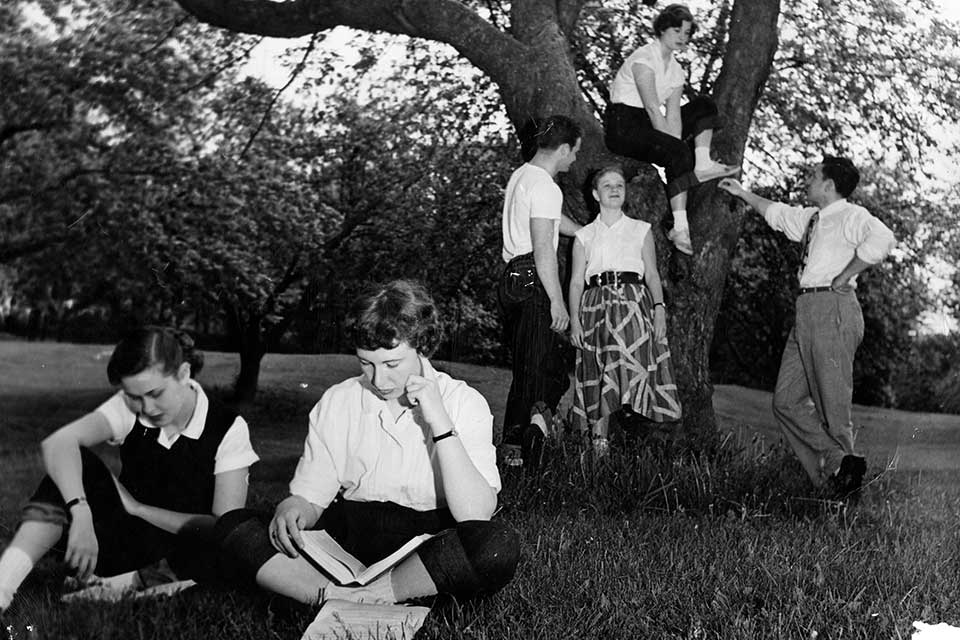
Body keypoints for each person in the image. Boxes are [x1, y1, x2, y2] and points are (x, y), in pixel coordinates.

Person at [216, 280, 519, 606]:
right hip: (351, 537)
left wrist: (441, 423)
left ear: (422, 346)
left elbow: (475, 514)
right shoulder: (338, 400)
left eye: (392, 364)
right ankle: (341, 595)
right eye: (366, 363)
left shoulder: (463, 401)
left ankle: (371, 594)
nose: (378, 380)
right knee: (234, 526)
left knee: (495, 544)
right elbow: (311, 496)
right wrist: (293, 510)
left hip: (426, 548)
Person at [0, 327, 259, 613]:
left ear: (184, 374)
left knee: (233, 547)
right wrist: (81, 512)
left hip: (185, 548)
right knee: (76, 464)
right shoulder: (133, 404)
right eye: (135, 397)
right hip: (123, 544)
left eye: (155, 393)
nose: (146, 407)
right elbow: (58, 444)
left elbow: (225, 527)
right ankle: (3, 586)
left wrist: (138, 509)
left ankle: (131, 586)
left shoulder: (227, 427)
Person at [718, 156, 896, 494]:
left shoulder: (852, 215)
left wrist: (846, 274)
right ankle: (839, 464)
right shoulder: (814, 219)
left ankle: (843, 498)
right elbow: (779, 213)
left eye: (815, 176)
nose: (809, 180)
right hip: (807, 310)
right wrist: (742, 192)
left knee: (833, 406)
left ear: (829, 185)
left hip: (833, 308)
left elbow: (883, 239)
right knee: (785, 401)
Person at [605, 3, 739, 256]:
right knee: (676, 152)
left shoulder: (676, 70)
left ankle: (702, 163)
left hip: (648, 124)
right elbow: (655, 110)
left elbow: (674, 114)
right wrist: (674, 150)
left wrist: (676, 147)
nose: (682, 37)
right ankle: (680, 228)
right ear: (662, 29)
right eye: (677, 30)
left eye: (687, 33)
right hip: (623, 126)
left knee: (703, 105)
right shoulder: (644, 59)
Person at [569, 166, 682, 452]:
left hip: (634, 304)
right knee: (599, 370)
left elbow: (653, 274)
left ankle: (636, 443)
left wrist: (659, 308)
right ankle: (598, 445)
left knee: (633, 370)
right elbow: (574, 283)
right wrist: (574, 321)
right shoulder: (583, 236)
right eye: (607, 185)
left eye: (619, 184)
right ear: (596, 194)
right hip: (596, 307)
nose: (615, 189)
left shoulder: (640, 230)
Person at [499, 114, 583, 466]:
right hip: (534, 278)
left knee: (538, 366)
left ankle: (529, 432)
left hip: (512, 279)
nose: (575, 159)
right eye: (574, 152)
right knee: (536, 371)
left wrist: (582, 232)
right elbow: (543, 246)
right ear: (562, 149)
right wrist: (557, 301)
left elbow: (550, 221)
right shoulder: (547, 186)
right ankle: (517, 450)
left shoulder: (523, 176)